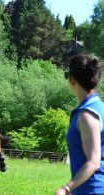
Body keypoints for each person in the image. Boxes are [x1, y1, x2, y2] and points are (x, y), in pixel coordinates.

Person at [55, 54, 104, 195]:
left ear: (72, 79)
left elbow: (93, 162)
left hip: (92, 190)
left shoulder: (87, 115)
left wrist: (67, 188)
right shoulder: (100, 108)